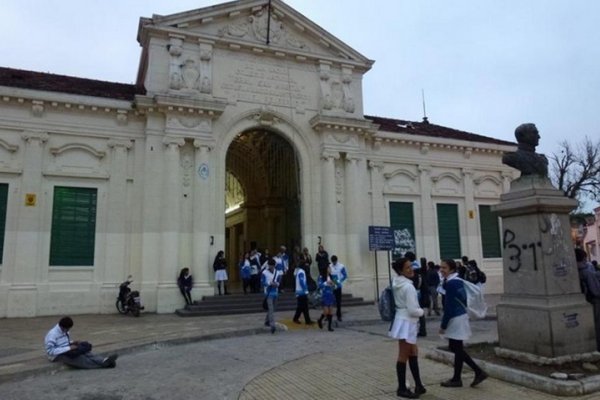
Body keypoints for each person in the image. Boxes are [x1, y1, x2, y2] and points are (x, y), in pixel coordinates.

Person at [438, 259, 487, 388]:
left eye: (445, 268)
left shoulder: (451, 284)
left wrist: (443, 325)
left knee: (456, 348)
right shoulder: (456, 280)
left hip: (455, 318)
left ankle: (476, 372)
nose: (442, 270)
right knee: (456, 347)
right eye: (441, 267)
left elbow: (449, 307)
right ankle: (458, 378)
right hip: (460, 316)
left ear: (452, 269)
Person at [388, 257, 426, 398]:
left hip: (404, 320)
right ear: (400, 270)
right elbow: (412, 310)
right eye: (407, 268)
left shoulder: (397, 282)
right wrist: (422, 311)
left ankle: (419, 385)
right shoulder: (408, 287)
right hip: (407, 321)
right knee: (404, 355)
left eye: (411, 266)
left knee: (413, 352)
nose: (411, 269)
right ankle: (402, 388)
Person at [44, 316, 118, 369]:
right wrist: (69, 348)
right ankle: (104, 364)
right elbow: (50, 351)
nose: (68, 330)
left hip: (66, 349)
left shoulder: (65, 331)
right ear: (63, 327)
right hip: (57, 356)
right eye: (68, 329)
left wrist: (72, 342)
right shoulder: (52, 335)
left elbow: (63, 343)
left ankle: (103, 360)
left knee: (86, 353)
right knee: (81, 359)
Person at [576, 248, 600, 351]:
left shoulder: (575, 272)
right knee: (597, 324)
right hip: (594, 301)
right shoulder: (587, 272)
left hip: (584, 301)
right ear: (584, 258)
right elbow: (596, 291)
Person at [405, 251, 426, 337]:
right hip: (420, 291)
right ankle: (422, 329)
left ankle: (413, 330)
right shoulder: (419, 267)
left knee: (412, 311)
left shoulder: (411, 269)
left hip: (414, 292)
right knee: (420, 312)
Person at [262, 258, 282, 334]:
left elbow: (279, 280)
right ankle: (272, 325)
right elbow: (263, 282)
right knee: (270, 308)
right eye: (270, 266)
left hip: (275, 292)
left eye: (273, 266)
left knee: (273, 309)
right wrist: (270, 283)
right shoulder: (265, 272)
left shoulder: (277, 272)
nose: (272, 267)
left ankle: (267, 321)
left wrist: (277, 284)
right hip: (268, 293)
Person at [292, 259, 314, 325]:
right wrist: (306, 291)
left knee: (303, 307)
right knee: (303, 307)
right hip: (301, 292)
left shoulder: (300, 271)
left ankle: (306, 320)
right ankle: (303, 320)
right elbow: (302, 282)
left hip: (300, 292)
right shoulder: (301, 272)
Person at [329, 255, 348, 322]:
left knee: (338, 302)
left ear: (336, 260)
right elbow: (328, 275)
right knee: (329, 301)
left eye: (334, 262)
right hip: (331, 285)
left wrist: (339, 281)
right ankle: (328, 315)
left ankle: (339, 316)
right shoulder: (330, 266)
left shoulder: (341, 266)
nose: (333, 263)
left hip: (338, 285)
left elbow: (345, 275)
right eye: (332, 262)